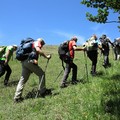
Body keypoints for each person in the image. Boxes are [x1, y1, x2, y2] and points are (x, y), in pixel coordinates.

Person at [14, 38, 51, 102]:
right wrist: (46, 56)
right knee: (41, 74)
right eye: (42, 44)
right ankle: (43, 91)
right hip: (30, 61)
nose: (41, 46)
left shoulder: (28, 44)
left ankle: (17, 97)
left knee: (22, 80)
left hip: (24, 62)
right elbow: (38, 49)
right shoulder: (37, 42)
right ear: (41, 42)